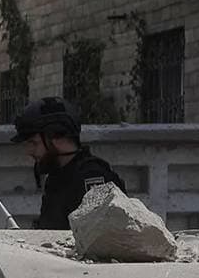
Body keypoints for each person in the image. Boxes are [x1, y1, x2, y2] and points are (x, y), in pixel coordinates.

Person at [12, 96, 125, 229]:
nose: (29, 151)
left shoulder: (91, 178)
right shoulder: (58, 177)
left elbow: (100, 240)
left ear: (57, 137)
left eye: (33, 143)